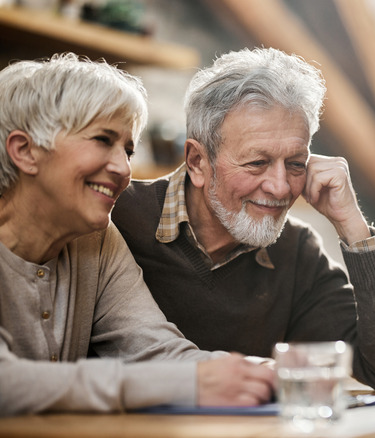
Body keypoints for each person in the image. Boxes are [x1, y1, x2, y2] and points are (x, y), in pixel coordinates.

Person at [111, 47, 375, 391]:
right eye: (256, 163)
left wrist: (353, 226)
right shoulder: (116, 218)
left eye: (295, 164)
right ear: (198, 162)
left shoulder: (296, 251)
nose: (279, 188)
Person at [0, 53, 275, 417]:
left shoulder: (95, 240)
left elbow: (154, 350)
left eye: (128, 150)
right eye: (102, 139)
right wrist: (188, 384)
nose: (123, 169)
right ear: (25, 151)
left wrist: (259, 375)